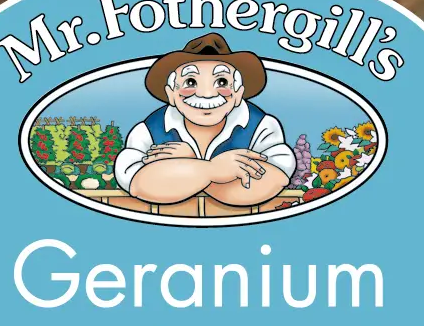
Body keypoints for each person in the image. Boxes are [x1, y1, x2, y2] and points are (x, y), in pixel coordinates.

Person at [113, 32, 295, 210]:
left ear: (238, 93)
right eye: (190, 82)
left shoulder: (261, 126)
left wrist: (184, 169)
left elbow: (274, 180)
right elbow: (138, 184)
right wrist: (214, 170)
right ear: (171, 94)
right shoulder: (149, 130)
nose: (206, 94)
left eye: (222, 82)